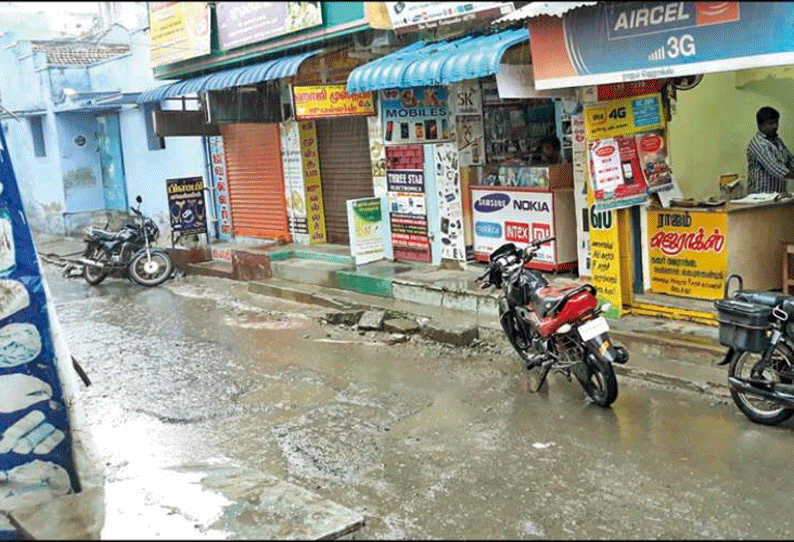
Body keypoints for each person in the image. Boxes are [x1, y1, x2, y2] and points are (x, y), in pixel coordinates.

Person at [747, 106, 794, 194]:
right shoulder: (758, 144)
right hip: (761, 198)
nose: (775, 126)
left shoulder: (777, 141)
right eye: (770, 123)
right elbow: (776, 169)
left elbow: (790, 160)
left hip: (778, 195)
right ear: (760, 125)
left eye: (776, 122)